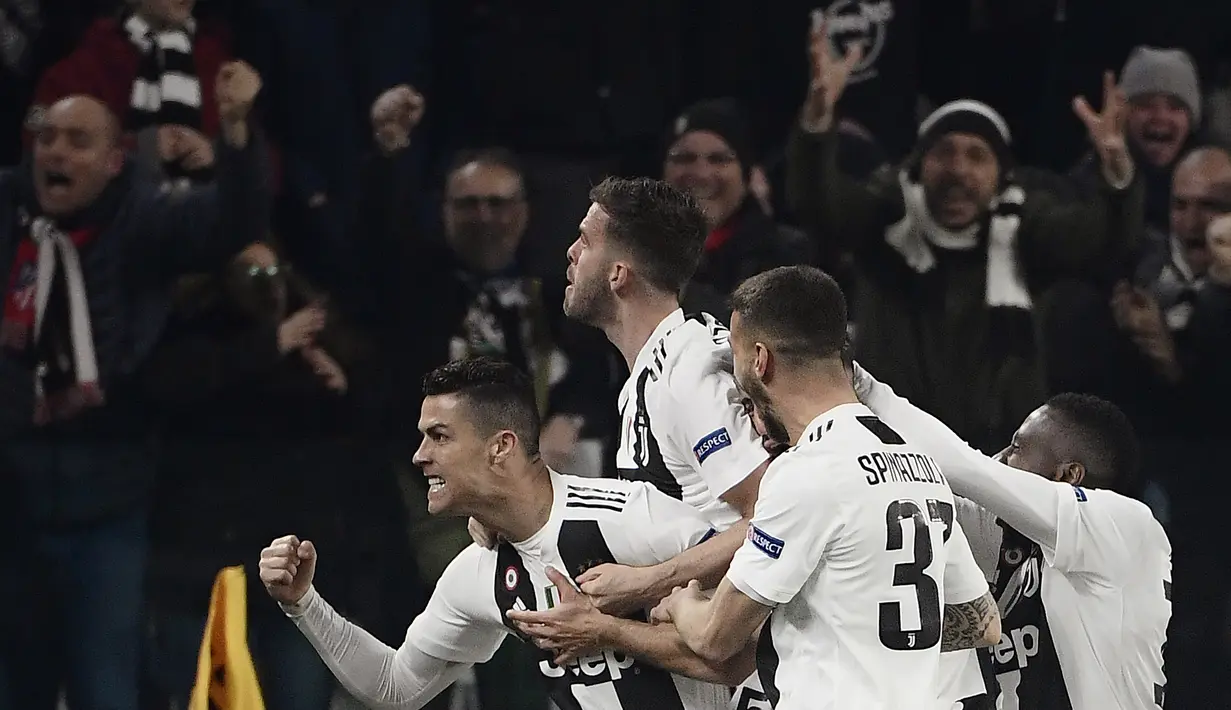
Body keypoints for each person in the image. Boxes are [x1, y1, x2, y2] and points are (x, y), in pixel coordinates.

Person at [258, 357, 755, 710]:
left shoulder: (628, 517)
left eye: (439, 436)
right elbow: (396, 687)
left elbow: (745, 645)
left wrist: (612, 630)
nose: (419, 455)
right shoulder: (477, 573)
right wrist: (304, 603)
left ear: (501, 447)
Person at [0, 62, 268, 710]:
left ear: (116, 160)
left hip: (110, 499)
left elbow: (226, 223)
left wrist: (235, 132)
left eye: (78, 141)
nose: (57, 152)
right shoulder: (6, 213)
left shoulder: (142, 218)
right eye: (49, 138)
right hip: (10, 500)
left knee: (106, 683)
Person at [649, 266, 999, 709]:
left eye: (736, 359)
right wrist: (866, 621)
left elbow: (714, 637)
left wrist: (683, 603)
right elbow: (982, 623)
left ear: (760, 359)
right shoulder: (920, 464)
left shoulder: (806, 472)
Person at [854, 368, 1172, 709]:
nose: (1001, 457)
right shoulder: (1022, 537)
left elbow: (967, 468)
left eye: (1017, 448)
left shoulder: (1123, 526)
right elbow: (930, 489)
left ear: (1068, 475)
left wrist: (862, 384)